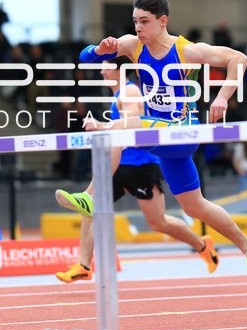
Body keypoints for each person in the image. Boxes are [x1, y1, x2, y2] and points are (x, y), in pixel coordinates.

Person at [54, 0, 247, 285]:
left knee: (118, 128)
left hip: (180, 132)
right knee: (194, 206)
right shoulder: (132, 45)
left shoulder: (186, 51)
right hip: (163, 144)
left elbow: (239, 58)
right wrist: (100, 50)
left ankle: (90, 196)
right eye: (135, 21)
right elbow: (83, 57)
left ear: (162, 21)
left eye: (144, 21)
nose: (138, 28)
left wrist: (222, 96)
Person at [56, 58, 220, 283]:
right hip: (118, 166)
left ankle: (202, 246)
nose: (102, 71)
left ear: (120, 70)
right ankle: (84, 265)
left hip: (141, 165)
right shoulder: (117, 95)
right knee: (89, 208)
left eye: (106, 66)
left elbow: (133, 122)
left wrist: (101, 125)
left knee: (158, 222)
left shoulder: (130, 92)